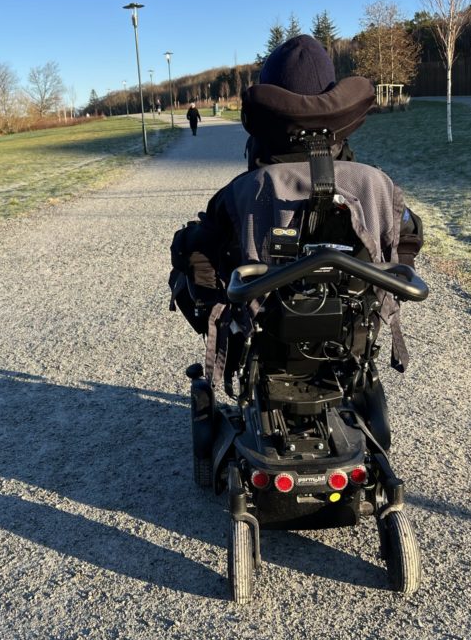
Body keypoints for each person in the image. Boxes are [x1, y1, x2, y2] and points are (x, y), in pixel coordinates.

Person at [169, 35, 423, 386]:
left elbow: (199, 252)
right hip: (352, 327)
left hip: (266, 328)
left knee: (186, 251)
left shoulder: (246, 192)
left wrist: (216, 299)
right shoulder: (374, 185)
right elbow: (408, 236)